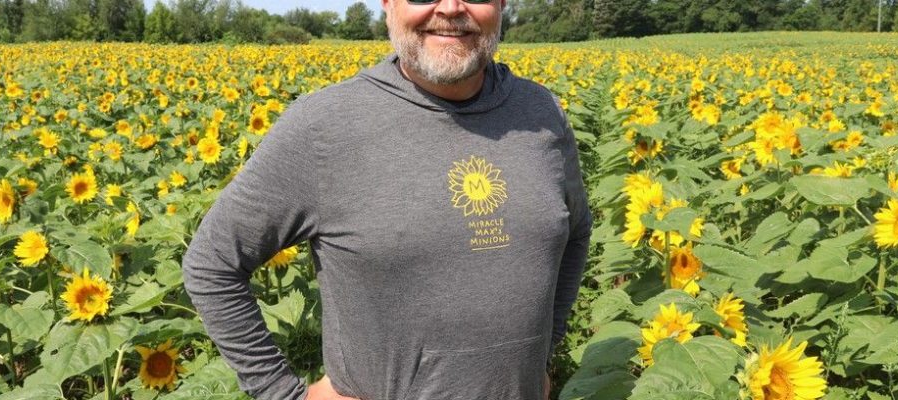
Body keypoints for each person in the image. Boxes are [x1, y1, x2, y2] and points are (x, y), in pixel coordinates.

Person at [181, 0, 593, 399]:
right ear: (388, 3)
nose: (450, 8)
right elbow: (213, 264)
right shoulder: (325, 126)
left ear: (502, 4)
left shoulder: (541, 111)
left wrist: (542, 352)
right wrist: (282, 394)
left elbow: (575, 231)